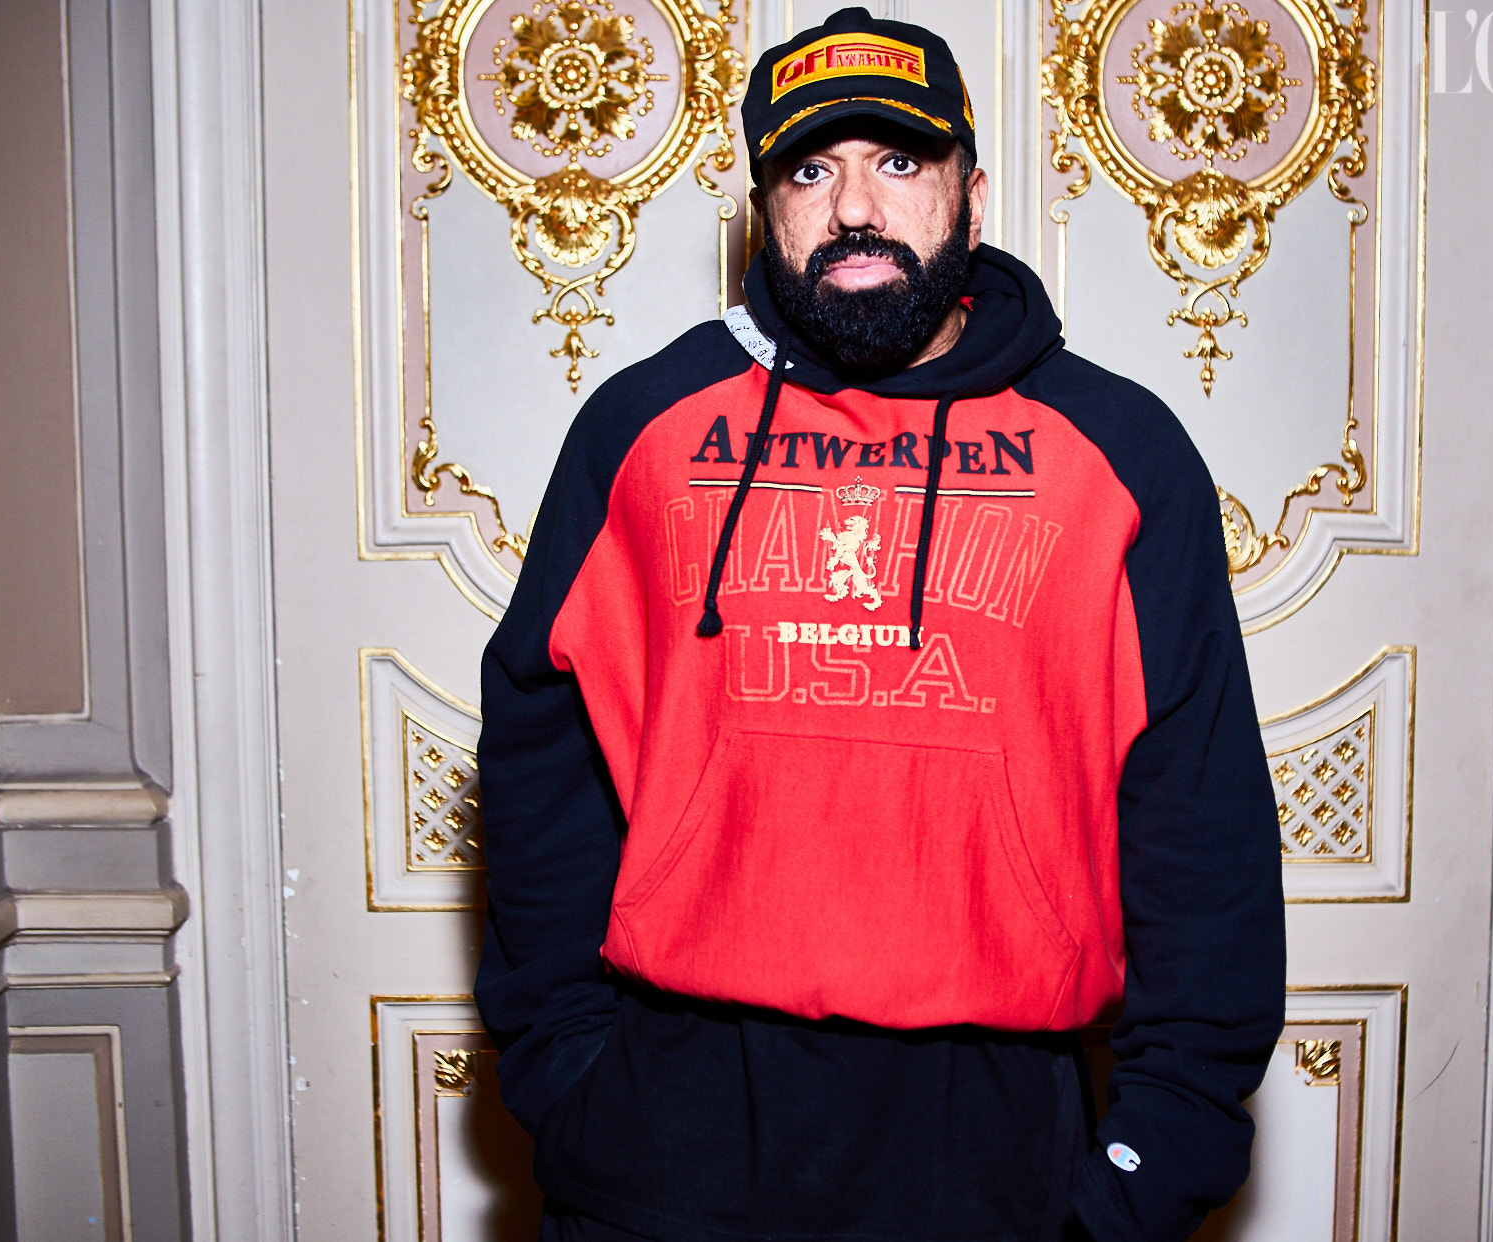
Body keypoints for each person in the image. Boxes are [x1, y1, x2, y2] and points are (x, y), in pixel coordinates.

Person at [474, 8, 1285, 1240]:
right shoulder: (643, 431)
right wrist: (567, 1071)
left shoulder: (1121, 455)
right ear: (766, 210)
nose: (855, 207)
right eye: (811, 172)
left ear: (972, 193)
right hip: (665, 1130)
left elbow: (1199, 821)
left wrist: (1151, 1160)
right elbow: (543, 755)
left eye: (900, 162)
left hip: (989, 1145)